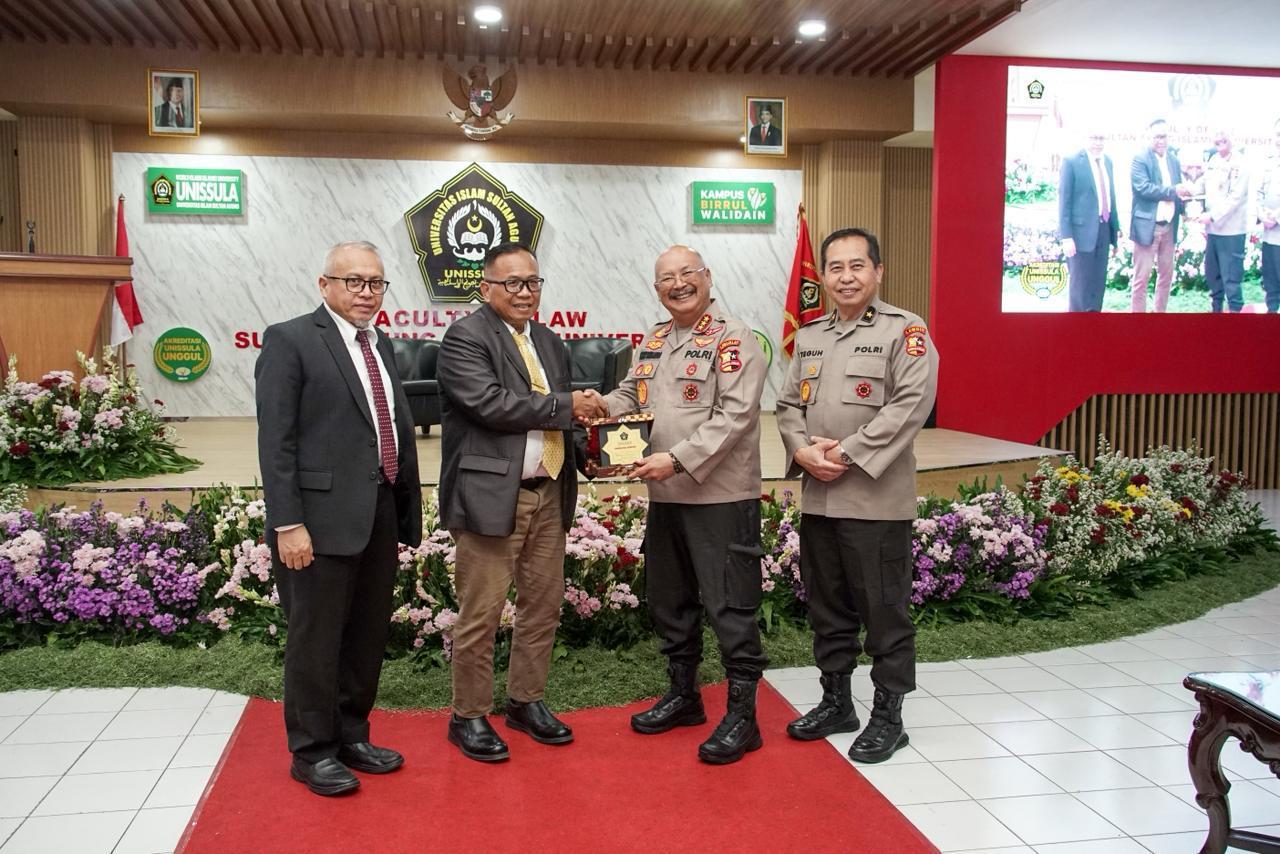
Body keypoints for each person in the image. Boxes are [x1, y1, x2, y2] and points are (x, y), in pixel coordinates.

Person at [255, 240, 423, 796]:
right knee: (317, 638)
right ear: (324, 284)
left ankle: (352, 734)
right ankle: (311, 751)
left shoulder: (382, 345)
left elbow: (390, 425)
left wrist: (404, 510)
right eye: (354, 281)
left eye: (376, 282)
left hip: (375, 513)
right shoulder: (291, 340)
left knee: (365, 634)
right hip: (316, 521)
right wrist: (287, 522)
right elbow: (275, 441)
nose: (366, 292)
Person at [594, 245, 768, 765]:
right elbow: (631, 394)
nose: (677, 284)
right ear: (657, 289)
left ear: (707, 277)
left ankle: (744, 717)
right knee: (669, 599)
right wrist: (598, 406)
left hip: (719, 496)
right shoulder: (654, 338)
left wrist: (677, 458)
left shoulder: (734, 339)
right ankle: (684, 695)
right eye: (666, 278)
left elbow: (735, 416)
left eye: (686, 274)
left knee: (730, 605)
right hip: (666, 494)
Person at [775, 227, 938, 764]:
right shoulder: (813, 335)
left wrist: (842, 454)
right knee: (828, 608)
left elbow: (910, 405)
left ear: (878, 271)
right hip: (819, 502)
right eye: (836, 268)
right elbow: (787, 405)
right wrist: (801, 452)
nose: (846, 277)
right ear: (822, 276)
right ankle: (837, 703)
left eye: (857, 266)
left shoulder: (905, 331)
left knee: (883, 611)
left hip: (875, 501)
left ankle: (889, 717)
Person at [436, 241, 601, 763]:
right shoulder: (465, 337)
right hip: (491, 495)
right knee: (481, 612)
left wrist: (589, 454)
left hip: (549, 490)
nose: (525, 292)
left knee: (542, 607)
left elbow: (563, 420)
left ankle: (525, 702)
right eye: (512, 283)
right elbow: (491, 404)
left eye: (532, 282)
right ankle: (469, 715)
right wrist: (566, 405)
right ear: (485, 288)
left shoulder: (551, 342)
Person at [1129, 119, 1189, 313]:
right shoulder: (1140, 159)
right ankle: (1138, 324)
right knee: (1141, 278)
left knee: (1166, 276)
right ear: (1149, 136)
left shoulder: (1174, 160)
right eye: (1157, 136)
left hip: (1169, 227)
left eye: (1164, 136)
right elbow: (1142, 188)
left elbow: (1178, 191)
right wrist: (1173, 191)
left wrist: (1188, 205)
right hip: (1148, 228)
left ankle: (1159, 318)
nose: (1161, 140)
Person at [1058, 132, 1120, 312]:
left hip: (1103, 230)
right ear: (1085, 138)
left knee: (1097, 284)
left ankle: (1094, 327)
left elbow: (1111, 197)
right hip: (1079, 235)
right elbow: (1064, 202)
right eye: (1094, 138)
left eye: (1101, 138)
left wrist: (1114, 234)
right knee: (1080, 286)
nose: (1098, 143)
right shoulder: (1071, 162)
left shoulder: (1107, 161)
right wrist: (1067, 237)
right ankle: (1076, 331)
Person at [1203, 130, 1251, 312]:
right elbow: (1204, 184)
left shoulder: (1241, 163)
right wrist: (1190, 189)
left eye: (1224, 135)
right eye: (1217, 135)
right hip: (1213, 231)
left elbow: (1235, 198)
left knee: (1231, 282)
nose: (1220, 139)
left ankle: (1235, 328)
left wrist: (1212, 216)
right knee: (1213, 280)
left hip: (1231, 232)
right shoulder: (1214, 160)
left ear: (1232, 138)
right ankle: (1216, 323)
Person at [1258, 120, 1280, 313]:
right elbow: (1258, 193)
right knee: (1271, 280)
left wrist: (1277, 216)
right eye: (1278, 135)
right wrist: (1262, 214)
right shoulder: (1269, 162)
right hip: (1270, 235)